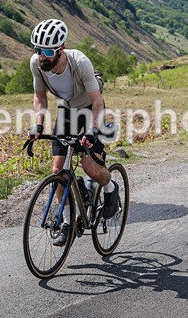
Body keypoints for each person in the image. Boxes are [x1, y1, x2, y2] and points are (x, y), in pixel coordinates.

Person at [27, 18, 119, 246]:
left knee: (89, 166)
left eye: (48, 51)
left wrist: (93, 131)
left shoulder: (80, 62)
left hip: (90, 109)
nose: (42, 56)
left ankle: (110, 188)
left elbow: (97, 102)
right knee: (58, 171)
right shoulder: (36, 64)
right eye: (38, 50)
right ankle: (68, 223)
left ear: (61, 49)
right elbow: (40, 97)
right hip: (67, 110)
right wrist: (38, 125)